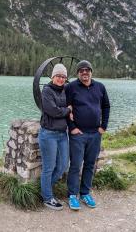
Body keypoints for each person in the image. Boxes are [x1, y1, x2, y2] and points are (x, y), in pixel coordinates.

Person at [65, 60, 110, 210]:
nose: (84, 72)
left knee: (90, 165)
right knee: (76, 165)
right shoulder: (71, 87)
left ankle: (85, 192)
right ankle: (72, 195)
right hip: (78, 134)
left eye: (87, 70)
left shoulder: (100, 87)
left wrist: (103, 126)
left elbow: (106, 106)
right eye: (81, 70)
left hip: (95, 134)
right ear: (78, 73)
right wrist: (72, 127)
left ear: (91, 72)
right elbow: (67, 108)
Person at [39, 63, 72, 210]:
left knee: (63, 165)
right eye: (58, 76)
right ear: (53, 77)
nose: (61, 79)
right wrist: (67, 110)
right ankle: (47, 197)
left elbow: (72, 105)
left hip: (62, 134)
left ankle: (45, 189)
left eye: (63, 76)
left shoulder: (66, 90)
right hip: (49, 134)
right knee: (49, 167)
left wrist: (67, 109)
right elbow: (53, 111)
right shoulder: (46, 91)